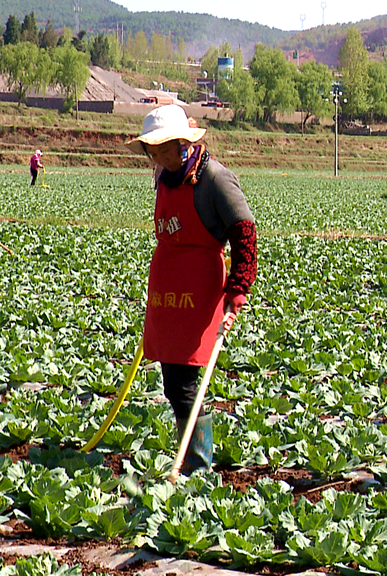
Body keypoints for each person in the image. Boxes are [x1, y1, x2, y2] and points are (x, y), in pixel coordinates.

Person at [124, 105, 257, 475]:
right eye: (154, 152)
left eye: (166, 149)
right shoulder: (164, 176)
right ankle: (192, 458)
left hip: (199, 289)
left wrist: (238, 287)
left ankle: (197, 465)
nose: (161, 158)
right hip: (168, 287)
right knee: (172, 382)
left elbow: (244, 232)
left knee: (184, 383)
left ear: (183, 143)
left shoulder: (215, 178)